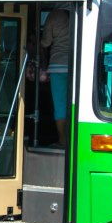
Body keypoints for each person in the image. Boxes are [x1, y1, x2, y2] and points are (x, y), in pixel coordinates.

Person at [41, 8, 70, 148]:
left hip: (58, 66)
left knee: (60, 105)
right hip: (77, 67)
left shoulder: (54, 15)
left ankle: (62, 140)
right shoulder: (81, 11)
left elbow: (45, 42)